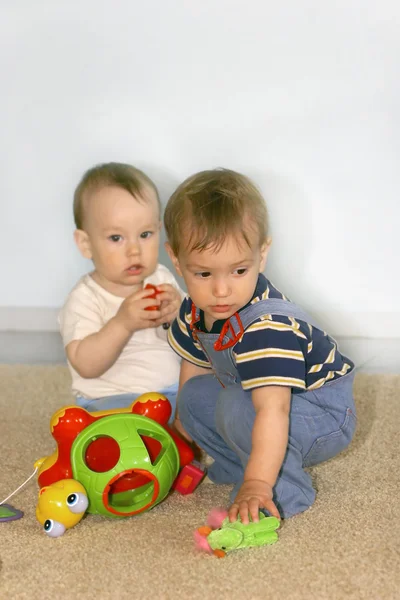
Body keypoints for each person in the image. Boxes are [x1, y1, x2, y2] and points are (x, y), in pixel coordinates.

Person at [163, 168, 356, 523]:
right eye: (204, 274)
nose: (221, 291)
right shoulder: (194, 308)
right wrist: (181, 443)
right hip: (260, 403)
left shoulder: (268, 328)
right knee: (193, 395)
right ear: (176, 261)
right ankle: (242, 463)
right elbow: (194, 368)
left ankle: (280, 490)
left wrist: (256, 483)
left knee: (239, 403)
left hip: (320, 413)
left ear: (261, 254)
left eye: (238, 271)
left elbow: (273, 409)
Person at [59, 162, 184, 417]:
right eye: (117, 238)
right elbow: (86, 365)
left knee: (212, 400)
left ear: (159, 231)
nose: (134, 250)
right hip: (110, 402)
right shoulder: (85, 298)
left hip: (171, 393)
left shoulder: (161, 278)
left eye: (145, 234)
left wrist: (179, 313)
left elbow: (194, 339)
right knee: (116, 438)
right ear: (86, 244)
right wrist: (122, 324)